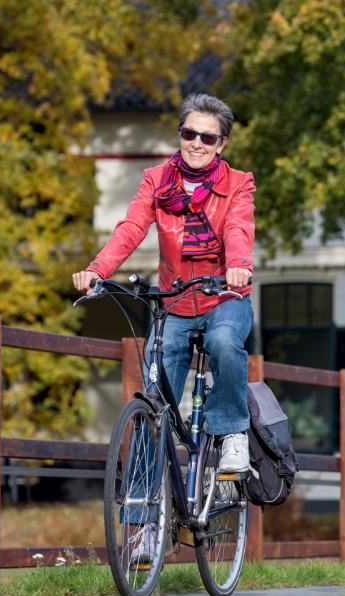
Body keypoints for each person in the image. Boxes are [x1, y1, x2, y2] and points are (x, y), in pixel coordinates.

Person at [72, 94, 255, 561]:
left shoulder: (238, 183)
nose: (196, 142)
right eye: (188, 133)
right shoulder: (157, 180)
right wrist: (98, 269)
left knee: (223, 341)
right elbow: (132, 227)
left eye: (207, 136)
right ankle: (144, 526)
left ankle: (232, 433)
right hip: (174, 302)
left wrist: (237, 266)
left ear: (221, 143)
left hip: (225, 297)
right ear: (180, 135)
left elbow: (237, 228)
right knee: (152, 411)